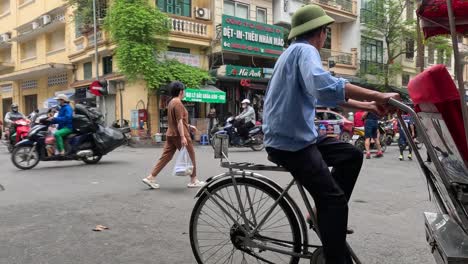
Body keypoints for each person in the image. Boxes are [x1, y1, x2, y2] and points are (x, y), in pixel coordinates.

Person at [262, 5, 400, 264]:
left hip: (300, 136)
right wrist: (378, 95)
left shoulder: (293, 52)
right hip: (289, 142)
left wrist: (368, 106)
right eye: (326, 31)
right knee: (335, 201)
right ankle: (335, 253)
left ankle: (320, 213)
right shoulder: (305, 50)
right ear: (321, 33)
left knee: (352, 154)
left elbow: (326, 94)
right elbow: (323, 85)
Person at [142, 81, 204, 189]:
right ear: (181, 91)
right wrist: (183, 136)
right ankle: (194, 180)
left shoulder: (171, 102)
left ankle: (151, 177)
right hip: (179, 134)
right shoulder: (178, 103)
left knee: (166, 157)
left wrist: (188, 126)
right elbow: (179, 121)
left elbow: (176, 121)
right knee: (191, 156)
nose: (184, 92)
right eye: (184, 90)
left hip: (171, 134)